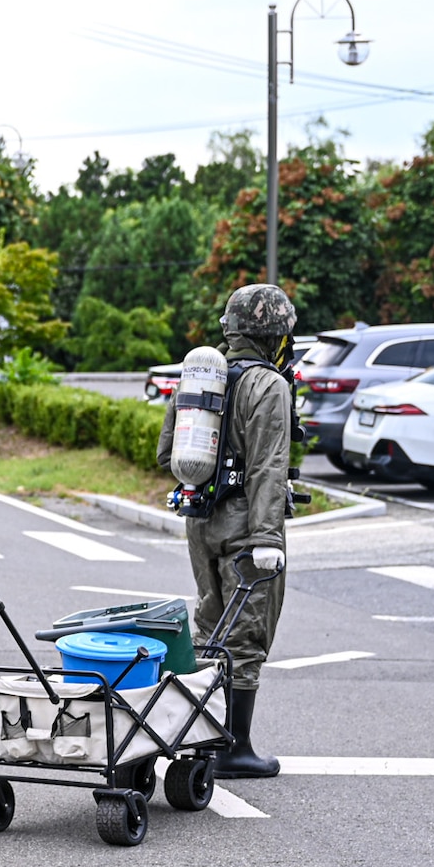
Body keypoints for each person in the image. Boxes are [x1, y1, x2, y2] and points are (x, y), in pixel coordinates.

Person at [158, 282, 296, 779]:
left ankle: (202, 740)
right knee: (246, 638)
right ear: (276, 333)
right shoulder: (270, 385)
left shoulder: (201, 376)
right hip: (246, 530)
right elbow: (269, 468)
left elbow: (165, 453)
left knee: (210, 628)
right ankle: (234, 750)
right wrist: (267, 539)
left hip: (202, 521)